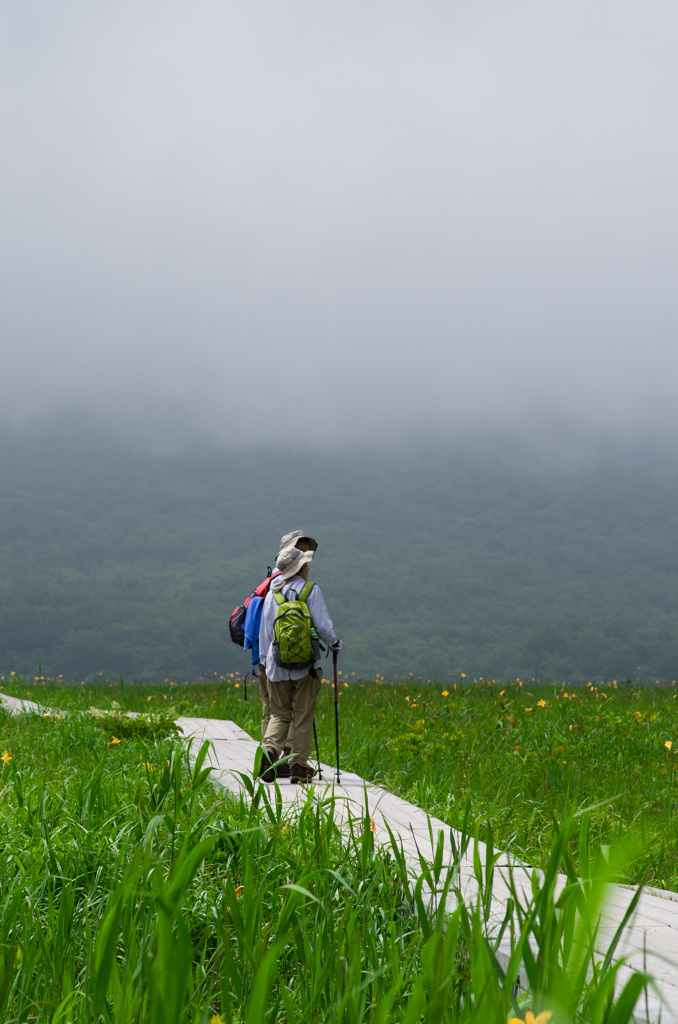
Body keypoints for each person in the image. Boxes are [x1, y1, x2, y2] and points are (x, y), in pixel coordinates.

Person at [258, 544, 341, 784]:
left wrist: (266, 662)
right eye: (306, 564)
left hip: (277, 665)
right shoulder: (310, 590)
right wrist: (335, 643)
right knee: (302, 716)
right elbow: (324, 626)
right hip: (306, 667)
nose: (308, 567)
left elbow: (266, 632)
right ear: (300, 569)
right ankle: (298, 768)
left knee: (279, 715)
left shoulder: (273, 592)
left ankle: (270, 751)